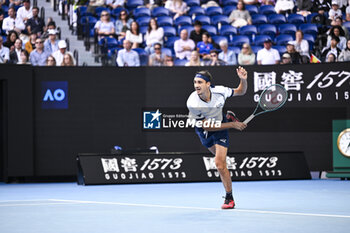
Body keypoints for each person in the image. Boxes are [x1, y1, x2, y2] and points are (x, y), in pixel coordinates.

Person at [186, 67, 248, 209]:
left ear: (208, 84)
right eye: (195, 82)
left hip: (220, 126)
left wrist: (243, 80)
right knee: (218, 157)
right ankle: (229, 118)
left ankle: (229, 197)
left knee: (220, 164)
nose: (196, 85)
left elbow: (241, 91)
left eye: (200, 82)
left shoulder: (219, 91)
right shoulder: (192, 102)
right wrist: (232, 124)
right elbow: (207, 126)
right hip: (205, 129)